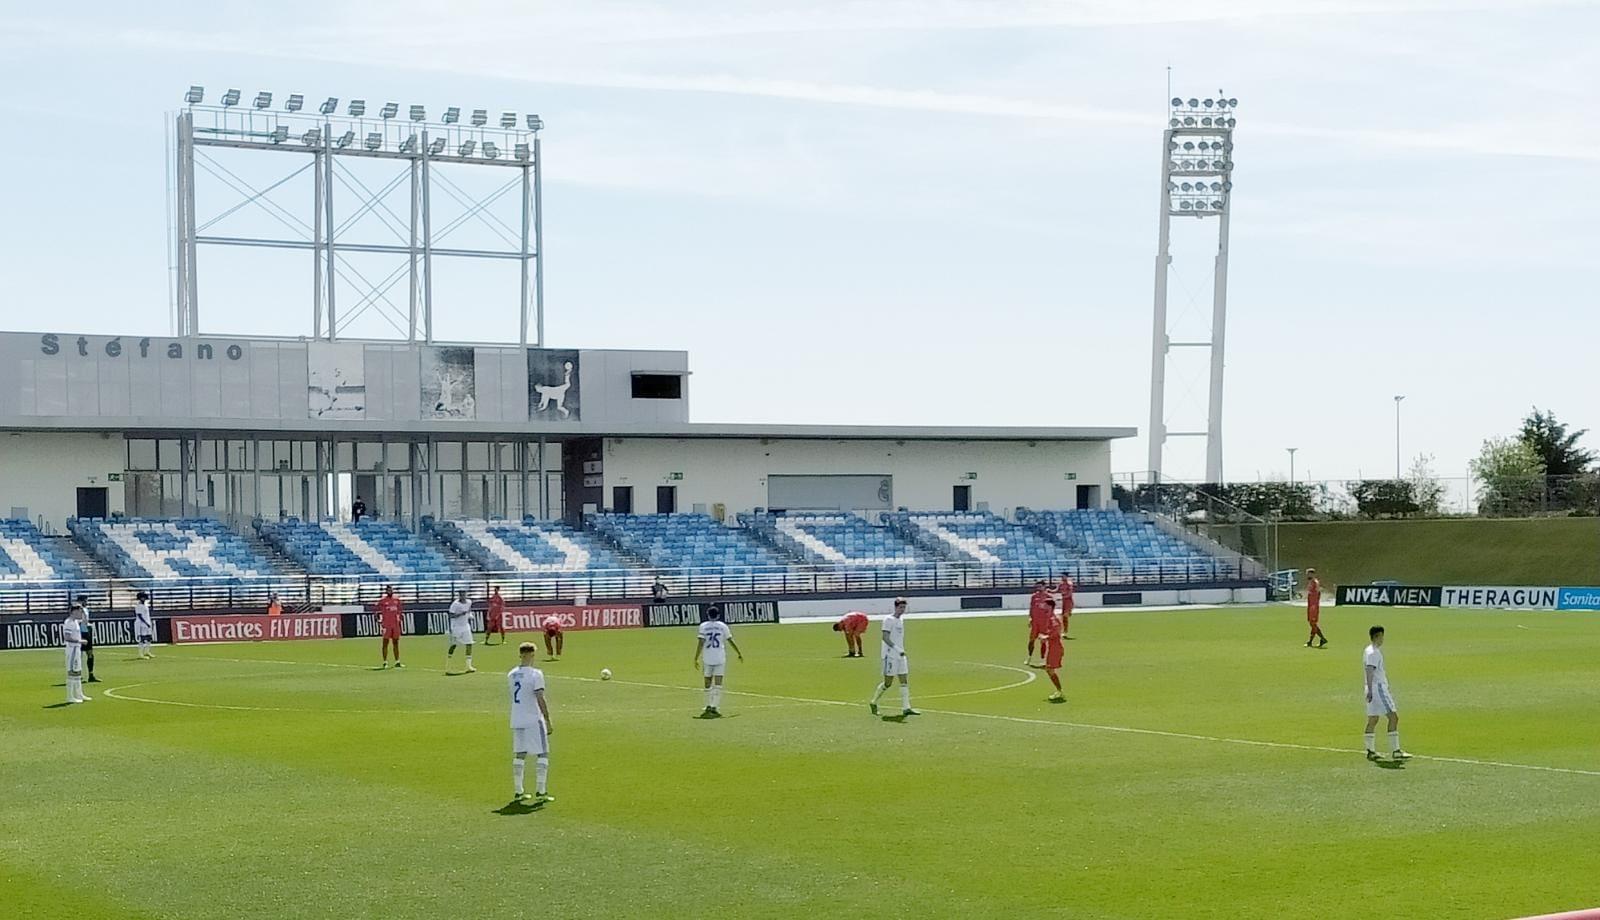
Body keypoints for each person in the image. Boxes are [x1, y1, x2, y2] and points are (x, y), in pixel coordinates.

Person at [507, 641, 554, 805]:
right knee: (543, 753)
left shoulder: (511, 674)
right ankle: (541, 791)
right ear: (532, 655)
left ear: (520, 655)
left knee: (520, 754)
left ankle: (518, 791)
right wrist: (547, 718)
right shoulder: (536, 674)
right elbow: (540, 697)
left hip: (517, 718)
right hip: (533, 719)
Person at [1363, 626, 1410, 762]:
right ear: (1378, 636)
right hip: (1378, 688)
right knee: (1393, 717)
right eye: (1382, 636)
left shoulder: (1368, 650)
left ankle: (1370, 751)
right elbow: (1369, 670)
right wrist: (1372, 690)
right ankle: (1396, 751)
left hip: (1371, 688)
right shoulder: (1374, 653)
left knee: (1373, 719)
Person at [870, 598, 918, 717]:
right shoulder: (888, 620)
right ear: (895, 607)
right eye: (900, 607)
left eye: (904, 608)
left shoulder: (901, 620)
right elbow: (885, 637)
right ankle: (874, 701)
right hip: (890, 655)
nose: (902, 610)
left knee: (904, 681)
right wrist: (897, 649)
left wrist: (901, 651)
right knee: (888, 683)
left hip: (901, 656)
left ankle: (906, 708)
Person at [693, 605, 743, 718]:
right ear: (718, 615)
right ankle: (715, 706)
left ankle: (707, 705)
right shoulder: (723, 626)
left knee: (707, 683)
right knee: (718, 683)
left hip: (707, 657)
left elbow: (701, 642)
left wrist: (696, 657)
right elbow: (730, 640)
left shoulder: (703, 626)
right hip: (720, 657)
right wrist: (738, 652)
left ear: (708, 615)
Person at [63, 603, 89, 703]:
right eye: (79, 611)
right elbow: (67, 637)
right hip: (72, 649)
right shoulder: (69, 622)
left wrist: (84, 614)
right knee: (72, 672)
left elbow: (85, 622)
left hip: (76, 649)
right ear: (74, 611)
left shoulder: (75, 622)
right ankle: (70, 696)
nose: (81, 614)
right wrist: (80, 641)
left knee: (77, 672)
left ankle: (79, 693)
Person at [1025, 581, 1055, 666]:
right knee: (1031, 640)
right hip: (1035, 622)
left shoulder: (1049, 597)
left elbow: (1051, 611)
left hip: (1044, 623)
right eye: (1037, 587)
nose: (1038, 588)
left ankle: (1043, 659)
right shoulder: (1034, 597)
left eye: (1040, 586)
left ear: (1044, 587)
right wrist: (1030, 618)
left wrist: (1050, 622)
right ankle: (1029, 657)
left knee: (1043, 641)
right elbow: (1031, 608)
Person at [446, 590, 476, 674]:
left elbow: (469, 611)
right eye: (461, 594)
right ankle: (448, 666)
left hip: (465, 626)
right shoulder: (455, 604)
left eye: (464, 594)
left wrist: (470, 616)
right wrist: (460, 614)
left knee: (469, 643)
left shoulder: (469, 602)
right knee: (453, 645)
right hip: (456, 627)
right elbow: (451, 615)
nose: (462, 596)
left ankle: (468, 666)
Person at [376, 585, 404, 669]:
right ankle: (385, 662)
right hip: (386, 625)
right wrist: (379, 620)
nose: (390, 591)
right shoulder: (382, 601)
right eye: (388, 590)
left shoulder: (397, 600)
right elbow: (376, 610)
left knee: (396, 643)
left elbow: (400, 611)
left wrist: (400, 619)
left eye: (391, 590)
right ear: (386, 591)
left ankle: (397, 661)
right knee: (385, 643)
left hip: (395, 625)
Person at [1041, 612, 1066, 702]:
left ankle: (1059, 691)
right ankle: (1059, 691)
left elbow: (1055, 632)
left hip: (1055, 649)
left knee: (1050, 670)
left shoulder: (1053, 620)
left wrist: (1046, 637)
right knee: (1049, 670)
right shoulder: (1051, 618)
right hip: (1054, 648)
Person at [76, 594, 99, 683]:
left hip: (86, 632)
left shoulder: (85, 609)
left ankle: (91, 674)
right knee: (79, 654)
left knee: (90, 653)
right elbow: (76, 620)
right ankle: (78, 674)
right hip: (80, 633)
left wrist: (88, 624)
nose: (87, 602)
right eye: (85, 600)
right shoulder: (78, 609)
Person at [1305, 568, 1327, 648]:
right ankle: (1320, 639)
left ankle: (1312, 641)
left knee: (1313, 623)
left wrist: (1314, 605)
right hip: (1310, 605)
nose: (1307, 575)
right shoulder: (1311, 582)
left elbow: (1318, 593)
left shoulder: (1315, 583)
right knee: (1312, 623)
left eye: (1308, 574)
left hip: (1313, 606)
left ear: (1312, 574)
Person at [133, 591, 155, 659]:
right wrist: (145, 623)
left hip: (147, 623)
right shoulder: (139, 606)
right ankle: (140, 654)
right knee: (142, 639)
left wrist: (149, 622)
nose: (145, 599)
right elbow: (140, 616)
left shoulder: (145, 605)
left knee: (149, 638)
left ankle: (147, 651)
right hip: (141, 624)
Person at [1057, 574, 1076, 639]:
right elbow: (1056, 590)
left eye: (1063, 576)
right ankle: (1064, 631)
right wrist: (1049, 591)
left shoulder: (1069, 584)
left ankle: (1065, 631)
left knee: (1065, 616)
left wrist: (1061, 598)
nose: (1062, 578)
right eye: (1061, 576)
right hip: (1064, 602)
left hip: (1068, 602)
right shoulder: (1060, 584)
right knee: (1064, 618)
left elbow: (1069, 594)